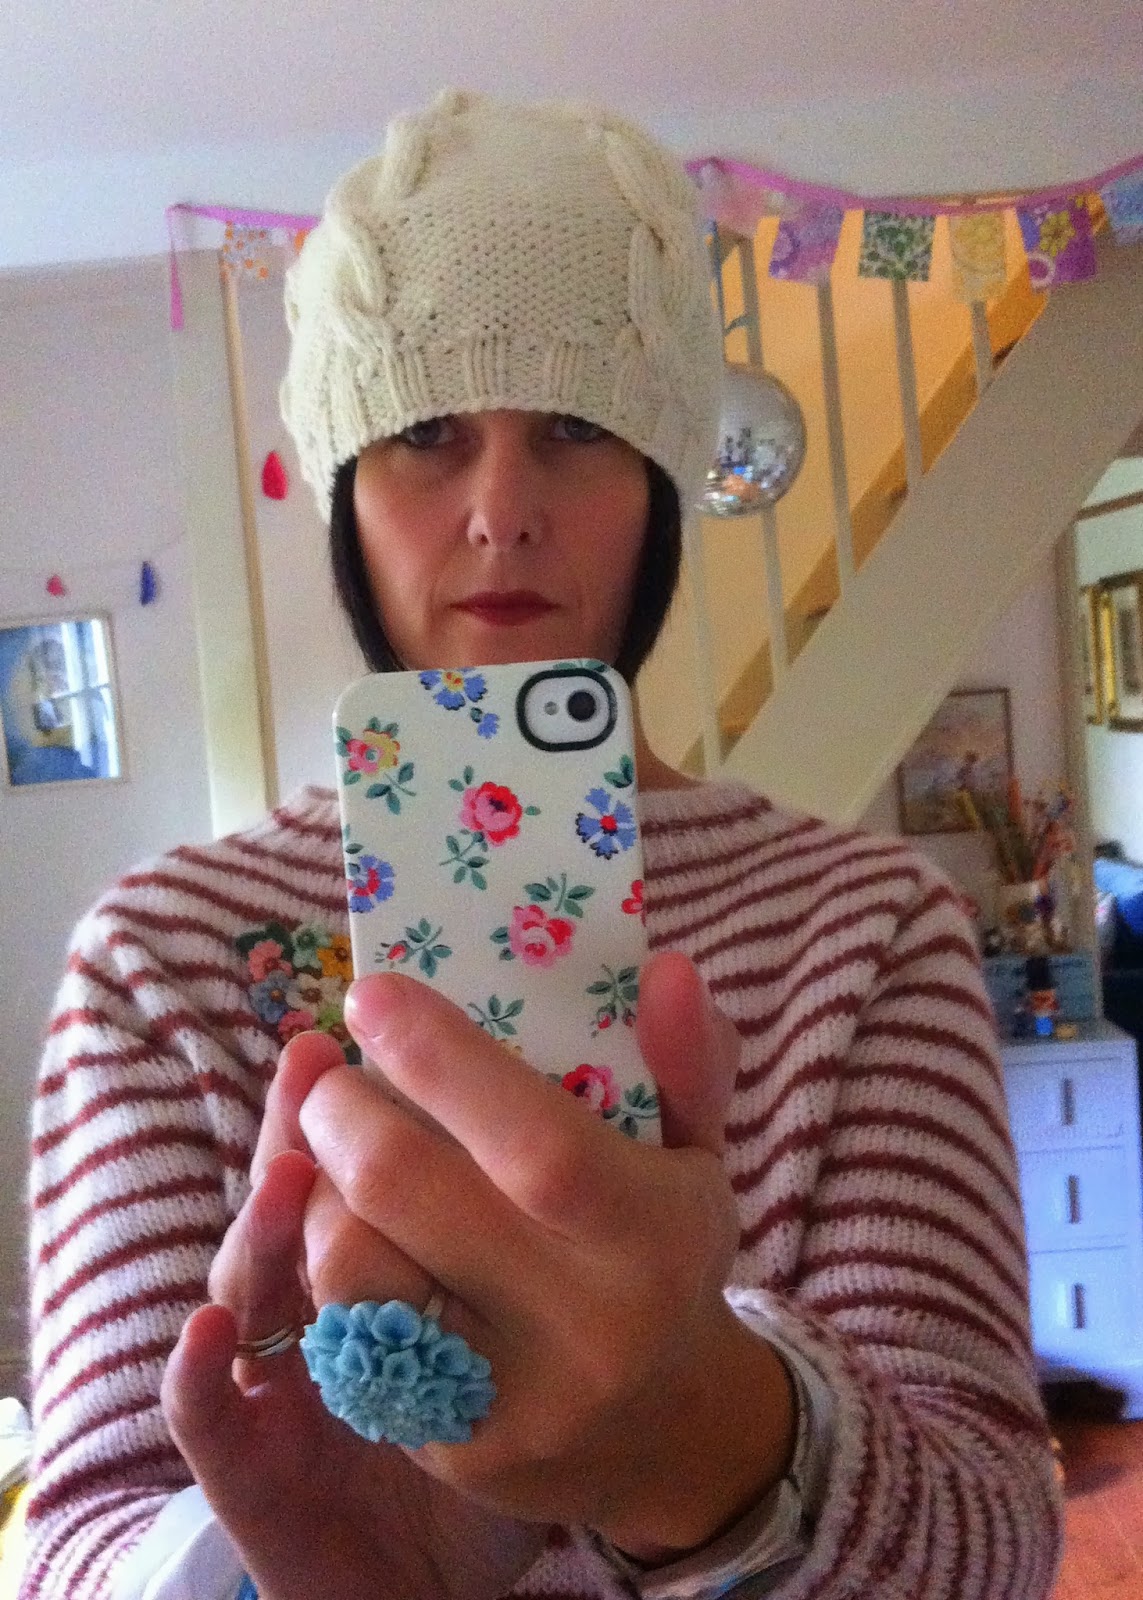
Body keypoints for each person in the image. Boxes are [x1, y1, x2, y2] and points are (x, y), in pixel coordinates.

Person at [22, 89, 1063, 1600]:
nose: (501, 513)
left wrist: (704, 1452)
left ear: (660, 488)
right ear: (344, 495)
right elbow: (77, 1536)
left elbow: (995, 1537)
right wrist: (282, 1568)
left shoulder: (870, 928)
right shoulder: (159, 958)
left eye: (577, 428)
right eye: (424, 434)